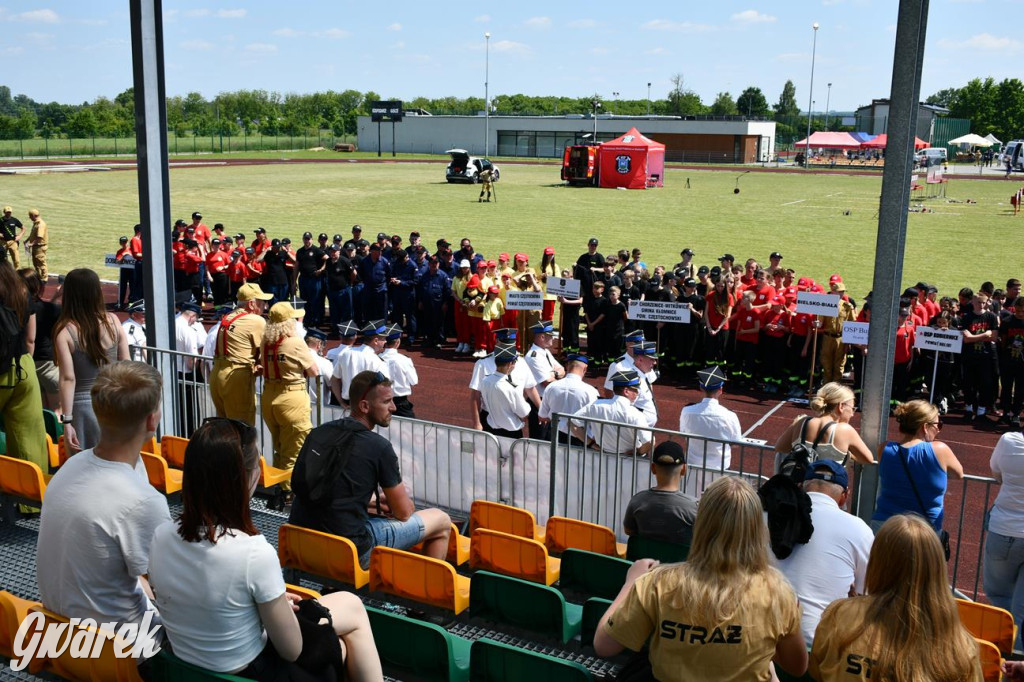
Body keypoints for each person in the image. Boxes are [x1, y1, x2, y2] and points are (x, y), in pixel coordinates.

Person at [148, 418, 384, 680]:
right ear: (246, 479)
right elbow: (291, 650)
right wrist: (268, 607)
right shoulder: (254, 553)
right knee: (346, 634)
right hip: (248, 672)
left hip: (187, 669)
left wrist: (263, 603)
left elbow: (200, 598)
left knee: (349, 610)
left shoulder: (160, 536)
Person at [595, 476, 807, 681]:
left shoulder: (658, 583)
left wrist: (630, 583)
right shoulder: (779, 593)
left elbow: (604, 645)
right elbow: (797, 667)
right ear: (757, 528)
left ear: (702, 523)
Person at [37, 362, 171, 648]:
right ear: (152, 420)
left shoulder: (68, 469)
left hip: (59, 634)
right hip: (119, 648)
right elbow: (174, 594)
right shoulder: (144, 502)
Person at [289, 370, 452, 569]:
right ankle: (425, 587)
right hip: (348, 553)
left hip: (298, 542)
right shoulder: (379, 447)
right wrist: (402, 505)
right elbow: (403, 513)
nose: (393, 407)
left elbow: (318, 487)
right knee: (441, 520)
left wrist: (368, 501)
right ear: (365, 406)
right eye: (386, 402)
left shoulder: (318, 433)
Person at [809, 515, 981, 682]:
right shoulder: (961, 649)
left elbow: (818, 669)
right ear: (936, 569)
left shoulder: (839, 615)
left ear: (877, 562)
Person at [777, 460, 873, 646]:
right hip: (819, 646)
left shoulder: (770, 515)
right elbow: (867, 595)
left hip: (765, 640)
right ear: (844, 496)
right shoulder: (860, 529)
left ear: (801, 487)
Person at [53, 268, 129, 453]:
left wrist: (67, 421)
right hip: (114, 402)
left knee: (84, 466)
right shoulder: (114, 321)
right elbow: (126, 363)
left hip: (83, 409)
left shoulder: (64, 331)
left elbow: (68, 378)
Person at [871, 399, 964, 533]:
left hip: (885, 525)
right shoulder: (940, 449)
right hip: (923, 531)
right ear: (925, 427)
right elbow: (958, 474)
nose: (938, 430)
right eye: (938, 425)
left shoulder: (884, 448)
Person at [261, 301, 317, 502]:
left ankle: (278, 488)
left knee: (280, 448)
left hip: (269, 397)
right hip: (291, 399)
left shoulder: (265, 341)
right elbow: (314, 371)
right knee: (295, 451)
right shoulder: (294, 342)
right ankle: (287, 494)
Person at [0, 261, 47, 473]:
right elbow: (30, 339)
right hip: (23, 367)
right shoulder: (21, 291)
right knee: (30, 441)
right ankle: (33, 491)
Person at [983, 423, 1024, 651]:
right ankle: (1017, 659)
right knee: (1021, 609)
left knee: (999, 597)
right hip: (1008, 529)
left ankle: (1000, 656)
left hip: (1004, 530)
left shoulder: (1009, 441)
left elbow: (996, 472)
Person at [210, 282, 273, 425]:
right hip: (236, 378)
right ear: (251, 304)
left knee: (225, 428)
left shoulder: (228, 316)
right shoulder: (256, 320)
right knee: (242, 428)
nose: (265, 306)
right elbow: (267, 351)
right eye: (262, 302)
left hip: (217, 375)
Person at [774, 382, 875, 470]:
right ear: (841, 406)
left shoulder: (802, 422)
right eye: (852, 408)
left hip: (800, 484)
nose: (852, 414)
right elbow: (868, 459)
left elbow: (780, 447)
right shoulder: (845, 430)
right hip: (827, 486)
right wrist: (848, 454)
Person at [678, 365, 743, 497]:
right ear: (720, 389)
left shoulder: (687, 411)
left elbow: (684, 434)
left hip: (693, 466)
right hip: (719, 469)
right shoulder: (730, 416)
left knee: (692, 500)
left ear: (701, 388)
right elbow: (736, 442)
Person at [622, 441, 698, 546]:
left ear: (653, 468)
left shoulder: (637, 501)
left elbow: (628, 530)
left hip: (645, 556)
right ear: (684, 469)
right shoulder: (695, 507)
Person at [570, 370, 654, 456]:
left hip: (603, 457)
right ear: (626, 391)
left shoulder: (594, 405)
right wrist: (637, 452)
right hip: (628, 460)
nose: (637, 393)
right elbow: (650, 441)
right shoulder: (635, 413)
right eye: (636, 390)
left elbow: (573, 424)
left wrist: (591, 444)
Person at [18, 267, 61, 411]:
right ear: (38, 287)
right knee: (57, 410)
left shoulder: (16, 310)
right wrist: (58, 296)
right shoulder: (53, 310)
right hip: (49, 364)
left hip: (27, 362)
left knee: (41, 410)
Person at [538, 352, 598, 445]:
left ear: (567, 366)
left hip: (553, 436)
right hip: (579, 440)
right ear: (585, 369)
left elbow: (542, 416)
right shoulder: (590, 392)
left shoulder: (551, 387)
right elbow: (594, 422)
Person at [330, 320, 389, 406]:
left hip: (347, 403)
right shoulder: (377, 361)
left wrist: (341, 402)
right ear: (376, 341)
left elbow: (334, 380)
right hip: (366, 406)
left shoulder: (346, 354)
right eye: (383, 339)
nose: (385, 341)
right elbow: (384, 388)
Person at [480, 345, 532, 438]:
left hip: (491, 429)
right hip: (510, 433)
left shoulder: (485, 381)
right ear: (509, 364)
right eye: (514, 362)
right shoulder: (511, 387)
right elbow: (524, 412)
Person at [381, 323, 418, 418]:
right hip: (401, 403)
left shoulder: (376, 358)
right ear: (397, 342)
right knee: (410, 426)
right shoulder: (404, 359)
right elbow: (414, 381)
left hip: (381, 402)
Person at [26, 208, 47, 280]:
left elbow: (39, 237)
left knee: (41, 263)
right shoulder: (36, 223)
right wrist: (27, 240)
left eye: (30, 216)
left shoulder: (40, 224)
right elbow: (33, 234)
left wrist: (31, 244)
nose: (30, 218)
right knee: (36, 263)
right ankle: (38, 277)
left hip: (39, 247)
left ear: (33, 216)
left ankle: (44, 279)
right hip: (35, 246)